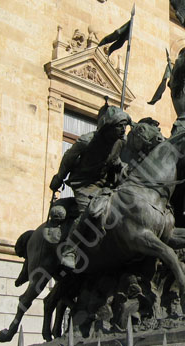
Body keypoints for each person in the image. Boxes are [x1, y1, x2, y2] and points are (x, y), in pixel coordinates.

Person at [49, 105, 131, 269]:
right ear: (108, 126)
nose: (123, 129)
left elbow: (114, 160)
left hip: (104, 182)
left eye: (124, 126)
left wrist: (122, 167)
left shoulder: (120, 142)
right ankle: (69, 251)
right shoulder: (87, 141)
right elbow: (68, 159)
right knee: (90, 211)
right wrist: (59, 178)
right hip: (84, 183)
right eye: (119, 126)